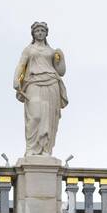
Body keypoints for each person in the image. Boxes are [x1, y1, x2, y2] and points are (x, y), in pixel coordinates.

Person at [13, 22, 67, 156]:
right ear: (33, 33)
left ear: (46, 33)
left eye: (42, 30)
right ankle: (31, 149)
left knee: (48, 118)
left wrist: (61, 57)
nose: (40, 33)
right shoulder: (28, 49)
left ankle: (45, 149)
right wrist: (16, 80)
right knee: (35, 116)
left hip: (51, 83)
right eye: (37, 31)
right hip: (33, 83)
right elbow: (21, 65)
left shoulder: (52, 52)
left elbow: (61, 72)